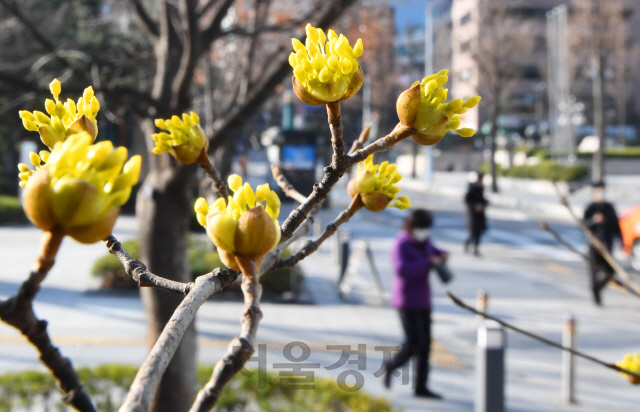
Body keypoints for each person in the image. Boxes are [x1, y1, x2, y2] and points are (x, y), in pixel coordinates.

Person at [384, 209, 448, 399]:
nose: (425, 232)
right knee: (412, 343)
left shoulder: (424, 242)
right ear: (412, 226)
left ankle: (421, 386)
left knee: (426, 344)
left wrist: (442, 255)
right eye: (422, 228)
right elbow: (402, 270)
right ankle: (391, 366)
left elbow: (434, 251)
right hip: (406, 300)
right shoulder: (401, 244)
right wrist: (427, 263)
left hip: (423, 299)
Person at [583, 181, 622, 306]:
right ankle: (596, 295)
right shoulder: (591, 208)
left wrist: (620, 240)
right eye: (598, 190)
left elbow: (616, 225)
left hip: (607, 244)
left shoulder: (609, 207)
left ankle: (598, 289)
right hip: (594, 245)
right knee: (594, 271)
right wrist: (594, 221)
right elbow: (584, 224)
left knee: (610, 270)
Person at [464, 172, 488, 256]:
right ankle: (467, 243)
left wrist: (484, 203)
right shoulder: (472, 188)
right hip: (472, 215)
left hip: (480, 215)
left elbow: (481, 199)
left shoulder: (481, 188)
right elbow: (467, 199)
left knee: (479, 233)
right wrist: (475, 206)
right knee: (473, 233)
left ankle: (476, 249)